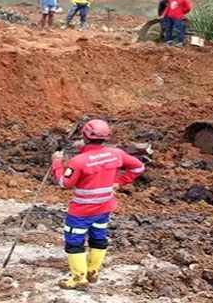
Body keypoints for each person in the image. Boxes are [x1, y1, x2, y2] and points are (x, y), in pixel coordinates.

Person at [50, 119, 145, 291]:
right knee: (98, 238)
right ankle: (92, 272)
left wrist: (56, 162)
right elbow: (138, 167)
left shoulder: (78, 161)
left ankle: (79, 279)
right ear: (106, 137)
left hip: (81, 212)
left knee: (74, 242)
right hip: (104, 208)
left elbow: (64, 183)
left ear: (85, 136)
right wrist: (120, 182)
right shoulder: (116, 154)